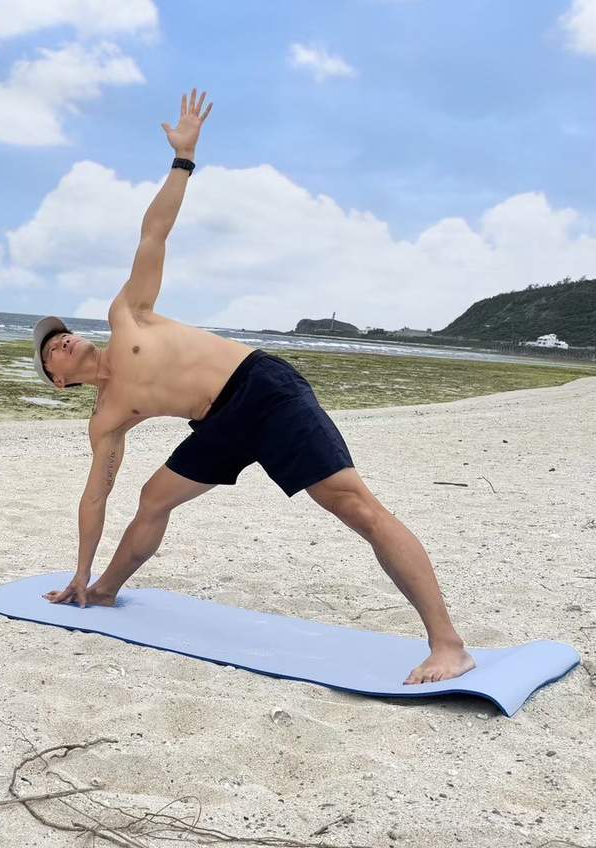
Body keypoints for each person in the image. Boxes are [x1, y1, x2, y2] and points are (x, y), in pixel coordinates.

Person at [36, 90, 472, 685]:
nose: (58, 341)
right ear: (60, 383)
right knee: (151, 498)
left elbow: (153, 233)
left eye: (58, 334)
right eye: (48, 351)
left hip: (262, 389)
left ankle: (448, 643)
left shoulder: (127, 315)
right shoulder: (109, 415)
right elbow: (94, 499)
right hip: (217, 426)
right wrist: (79, 571)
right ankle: (104, 589)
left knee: (354, 506)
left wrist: (183, 160)